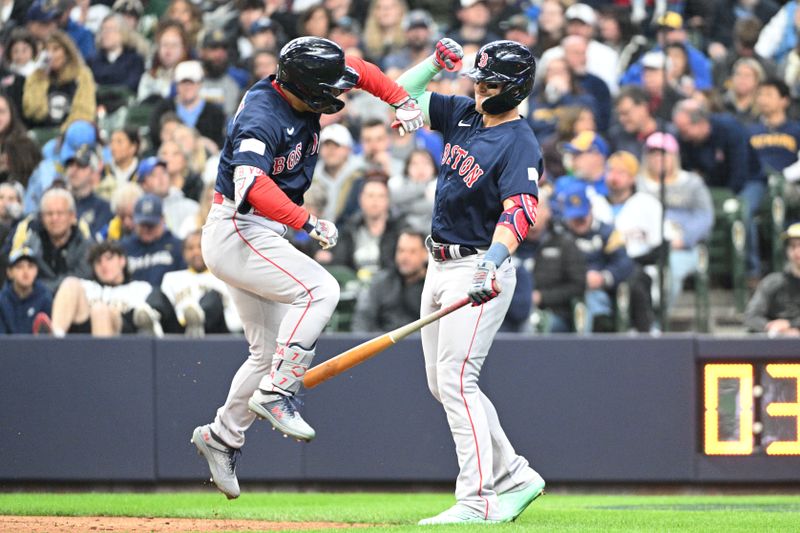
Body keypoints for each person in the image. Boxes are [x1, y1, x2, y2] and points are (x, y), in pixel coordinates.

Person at [191, 36, 425, 500]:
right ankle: (279, 392)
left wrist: (401, 99)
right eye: (329, 86)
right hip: (238, 226)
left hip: (259, 230)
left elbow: (361, 69)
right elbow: (251, 184)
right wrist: (306, 221)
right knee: (321, 289)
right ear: (303, 85)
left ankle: (222, 436)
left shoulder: (305, 79)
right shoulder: (261, 114)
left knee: (265, 353)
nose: (339, 91)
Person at [396, 39, 545, 524]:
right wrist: (433, 65)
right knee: (444, 385)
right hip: (439, 262)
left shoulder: (520, 141)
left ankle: (477, 500)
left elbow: (521, 209)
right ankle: (518, 476)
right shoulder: (465, 112)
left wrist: (492, 262)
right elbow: (402, 94)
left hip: (479, 266)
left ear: (514, 88)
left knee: (459, 382)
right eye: (477, 79)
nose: (478, 87)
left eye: (489, 83)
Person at [143, 230, 242, 337]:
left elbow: (235, 320)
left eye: (200, 247)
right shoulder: (171, 278)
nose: (196, 252)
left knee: (213, 296)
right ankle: (149, 323)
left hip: (213, 331)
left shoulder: (224, 277)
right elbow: (167, 311)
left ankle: (199, 321)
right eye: (190, 248)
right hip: (180, 331)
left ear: (209, 249)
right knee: (156, 294)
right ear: (184, 253)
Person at [48, 241, 155, 337]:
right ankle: (55, 338)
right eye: (98, 261)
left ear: (122, 260)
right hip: (84, 333)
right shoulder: (86, 286)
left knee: (99, 310)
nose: (104, 265)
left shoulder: (140, 288)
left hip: (122, 339)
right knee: (70, 282)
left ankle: (102, 358)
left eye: (109, 258)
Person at [8, 187, 93, 292]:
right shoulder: (31, 244)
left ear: (72, 216)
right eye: (49, 214)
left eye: (60, 213)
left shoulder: (86, 246)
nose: (54, 218)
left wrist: (43, 288)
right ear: (42, 217)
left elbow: (83, 277)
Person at [350, 229, 426, 332]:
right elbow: (363, 319)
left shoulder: (432, 286)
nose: (405, 257)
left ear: (425, 254)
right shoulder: (381, 282)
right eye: (401, 250)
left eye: (412, 252)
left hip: (420, 345)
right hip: (383, 343)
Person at [22, 30, 97, 130]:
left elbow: (84, 112)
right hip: (44, 131)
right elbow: (34, 112)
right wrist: (41, 78)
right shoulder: (36, 77)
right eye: (46, 50)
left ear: (67, 52)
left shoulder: (82, 74)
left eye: (55, 49)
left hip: (72, 131)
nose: (50, 55)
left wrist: (63, 132)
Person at [744, 222, 800, 335]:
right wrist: (774, 328)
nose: (797, 251)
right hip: (778, 346)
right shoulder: (772, 283)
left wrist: (791, 324)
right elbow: (751, 317)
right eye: (793, 246)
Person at [120, 193, 184, 286]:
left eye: (151, 225)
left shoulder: (177, 246)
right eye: (142, 225)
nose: (146, 230)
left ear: (163, 220)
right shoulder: (124, 248)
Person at [0, 247, 53, 335]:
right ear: (9, 272)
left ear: (36, 271)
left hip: (38, 348)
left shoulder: (45, 298)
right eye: (19, 267)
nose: (25, 271)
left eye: (30, 266)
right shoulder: (2, 301)